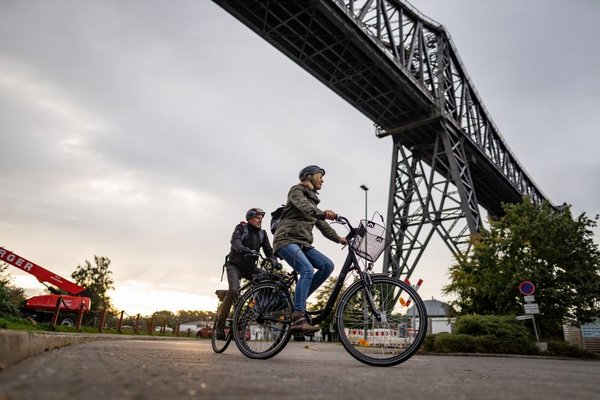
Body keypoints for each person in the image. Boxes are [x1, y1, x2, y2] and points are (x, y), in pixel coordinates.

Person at [273, 165, 348, 333]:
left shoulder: (313, 202)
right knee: (306, 269)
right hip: (286, 240)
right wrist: (322, 213)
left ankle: (297, 302)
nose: (322, 179)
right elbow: (303, 206)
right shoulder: (296, 191)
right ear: (309, 176)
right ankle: (298, 317)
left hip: (303, 244)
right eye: (319, 175)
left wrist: (340, 239)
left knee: (327, 265)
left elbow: (323, 226)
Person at [215, 207, 275, 340]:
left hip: (250, 268)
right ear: (250, 219)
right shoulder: (242, 228)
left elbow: (269, 251)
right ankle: (220, 324)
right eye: (257, 217)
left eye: (261, 218)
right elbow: (235, 241)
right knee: (234, 290)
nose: (260, 220)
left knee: (268, 282)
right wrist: (244, 249)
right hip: (235, 265)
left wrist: (274, 260)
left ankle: (245, 316)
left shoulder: (262, 234)